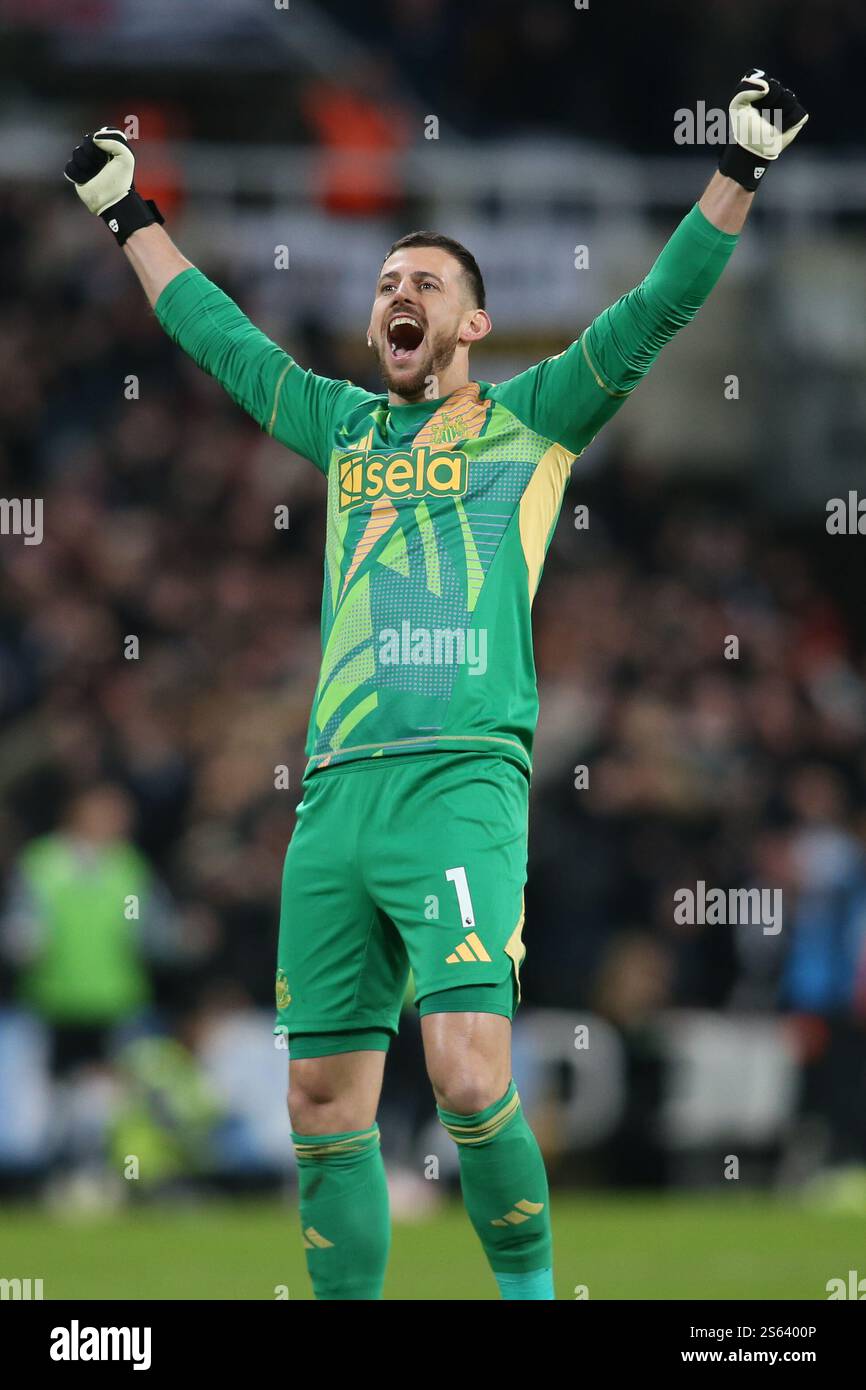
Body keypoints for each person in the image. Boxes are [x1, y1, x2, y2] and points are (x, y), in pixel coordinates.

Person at [63, 70, 808, 1300]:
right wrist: (128, 214)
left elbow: (658, 305)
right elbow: (217, 336)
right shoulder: (339, 427)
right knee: (319, 1099)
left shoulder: (534, 422)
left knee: (466, 1071)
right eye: (384, 284)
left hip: (460, 783)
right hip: (334, 800)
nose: (397, 295)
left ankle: (528, 1294)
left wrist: (738, 168)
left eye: (426, 284)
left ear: (471, 326)